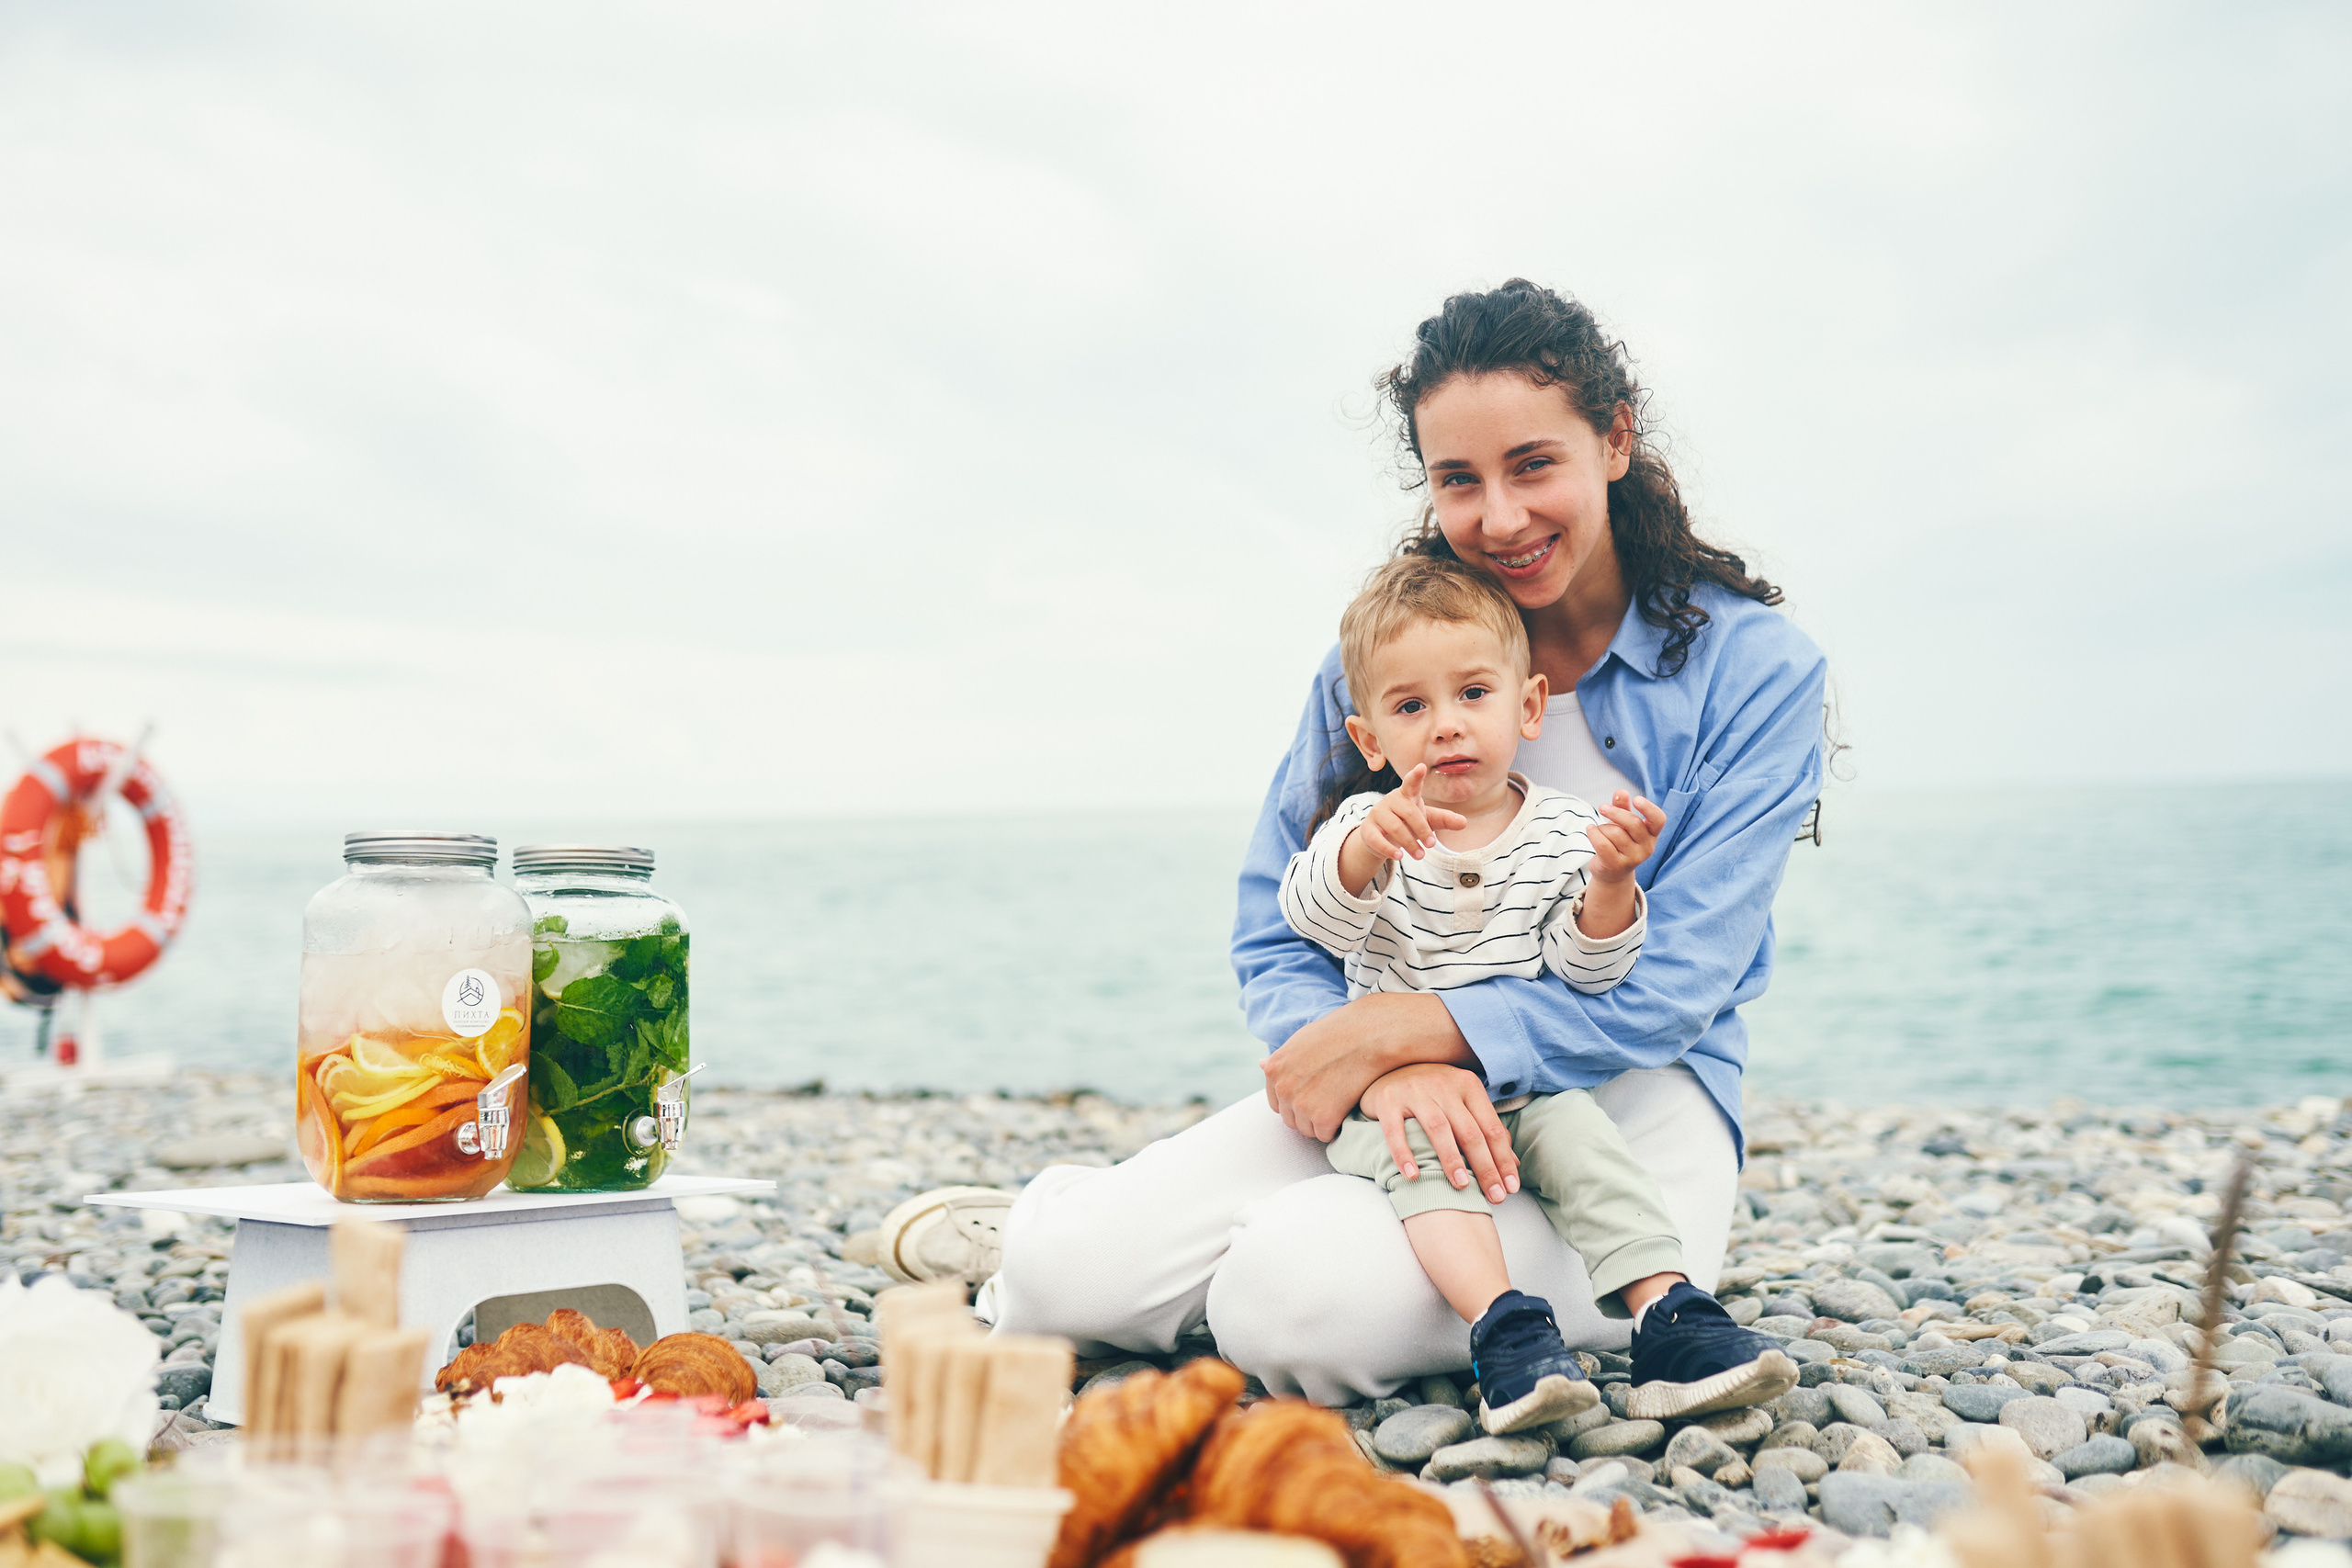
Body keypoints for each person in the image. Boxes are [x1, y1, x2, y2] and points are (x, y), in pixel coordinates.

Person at [881, 279, 1828, 1413]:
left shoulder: (1756, 669)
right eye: (1458, 479)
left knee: (1293, 1308)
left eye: (1534, 464)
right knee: (1052, 1283)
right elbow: (1273, 931)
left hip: (1626, 1102)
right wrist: (1384, 1062)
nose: (1501, 517)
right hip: (1390, 1091)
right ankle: (1067, 1223)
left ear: (1614, 440)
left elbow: (1677, 980)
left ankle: (1251, 1257)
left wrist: (1426, 1029)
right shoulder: (1377, 662)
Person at [1284, 551, 1791, 1432]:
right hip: (1396, 1098)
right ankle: (1503, 1328)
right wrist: (1364, 850)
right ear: (1372, 741)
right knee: (1425, 1161)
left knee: (1586, 1140)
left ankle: (1665, 1310)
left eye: (1472, 695)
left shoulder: (1562, 829)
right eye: (1411, 708)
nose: (1446, 726)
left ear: (1526, 708)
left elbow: (1588, 971)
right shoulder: (1369, 825)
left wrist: (1610, 887)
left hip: (1527, 1084)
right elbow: (1310, 916)